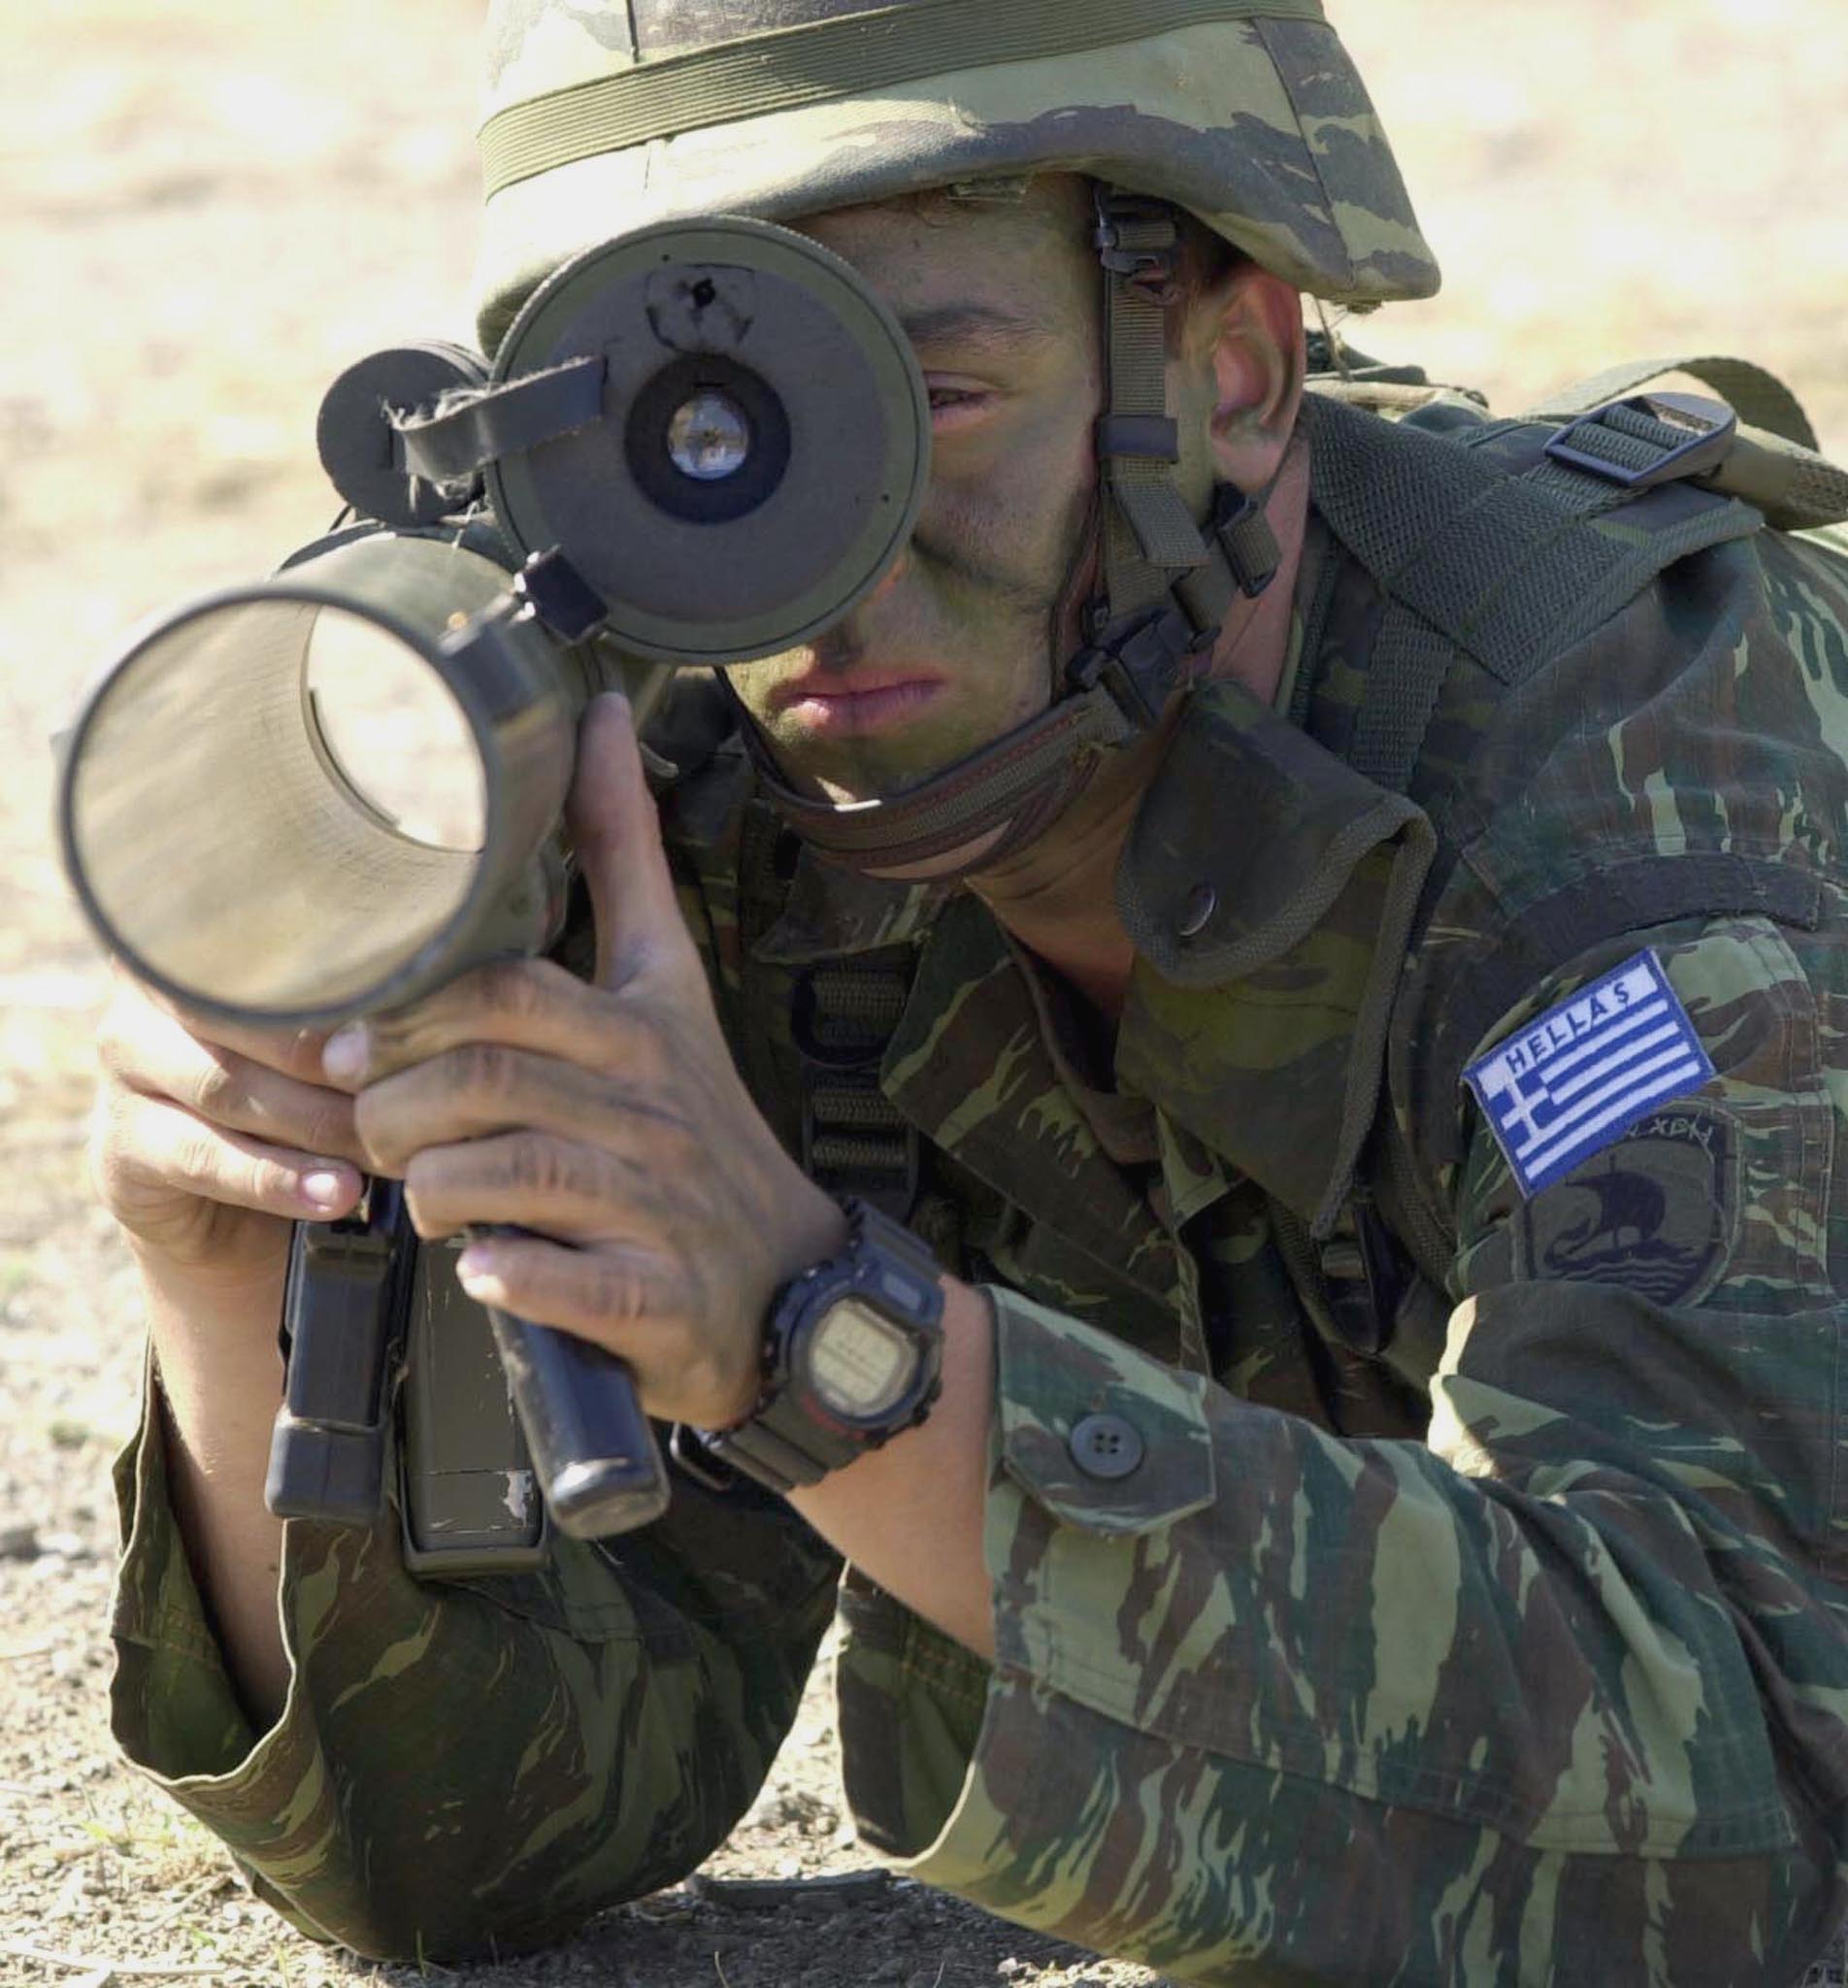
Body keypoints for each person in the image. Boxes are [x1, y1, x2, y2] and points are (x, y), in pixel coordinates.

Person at [92, 1, 1848, 1980]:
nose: (826, 578)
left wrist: (820, 1345)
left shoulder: (1633, 799)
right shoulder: (709, 803)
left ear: (1237, 372)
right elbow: (477, 1834)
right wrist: (238, 1267)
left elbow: (1761, 1824)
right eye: (703, 442)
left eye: (930, 400)